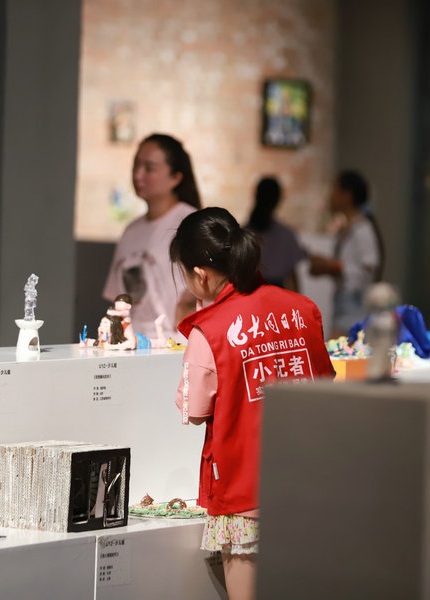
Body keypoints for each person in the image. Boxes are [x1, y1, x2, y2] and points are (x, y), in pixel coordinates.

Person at [170, 207, 335, 600]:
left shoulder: (210, 330)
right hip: (309, 481)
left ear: (200, 275)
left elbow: (194, 410)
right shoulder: (303, 309)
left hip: (245, 490)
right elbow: (325, 382)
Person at [103, 133, 201, 340]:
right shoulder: (131, 230)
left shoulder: (192, 223)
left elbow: (216, 287)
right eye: (136, 165)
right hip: (133, 344)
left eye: (149, 168)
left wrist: (187, 305)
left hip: (175, 345)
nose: (138, 175)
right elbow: (118, 299)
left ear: (176, 177)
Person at [308, 170, 384, 337]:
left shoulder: (362, 229)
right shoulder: (349, 227)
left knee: (340, 347)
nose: (331, 196)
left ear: (347, 195)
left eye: (335, 190)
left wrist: (335, 267)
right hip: (344, 300)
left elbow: (369, 267)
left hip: (354, 302)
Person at [245, 176, 306, 291]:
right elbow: (293, 278)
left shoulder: (243, 234)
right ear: (278, 200)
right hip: (275, 293)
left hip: (249, 292)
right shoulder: (286, 235)